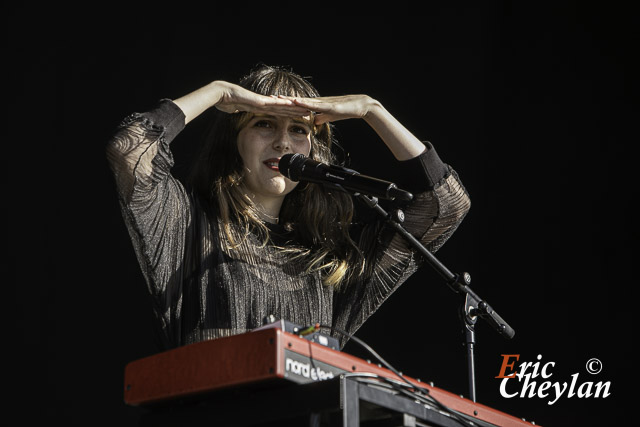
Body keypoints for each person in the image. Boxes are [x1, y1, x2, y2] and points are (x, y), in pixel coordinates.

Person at [106, 64, 471, 351]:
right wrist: (218, 91)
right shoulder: (185, 224)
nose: (283, 142)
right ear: (233, 142)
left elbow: (446, 205)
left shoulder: (330, 259)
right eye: (264, 124)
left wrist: (372, 110)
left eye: (299, 129)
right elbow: (130, 151)